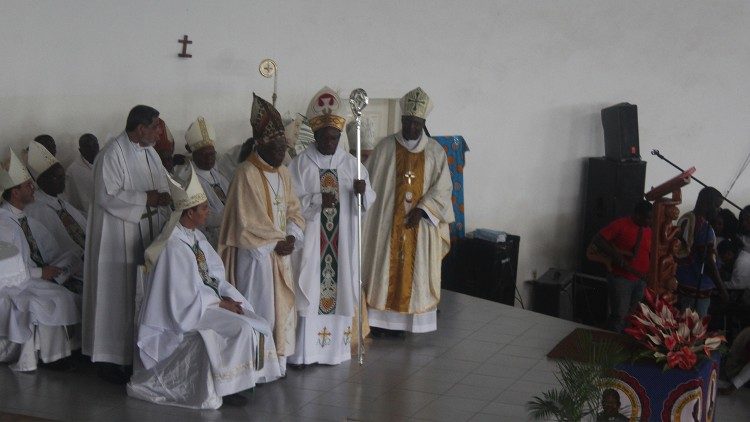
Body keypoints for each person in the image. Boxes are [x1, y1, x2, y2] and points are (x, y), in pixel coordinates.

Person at [127, 165, 281, 409]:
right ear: (189, 214)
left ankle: (249, 378)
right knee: (241, 328)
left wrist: (232, 298)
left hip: (206, 303)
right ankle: (230, 387)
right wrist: (221, 303)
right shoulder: (174, 247)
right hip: (187, 313)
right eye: (204, 208)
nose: (208, 212)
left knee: (257, 321)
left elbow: (215, 276)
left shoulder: (196, 238)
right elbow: (181, 298)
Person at [83, 105, 172, 383]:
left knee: (141, 293)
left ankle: (137, 353)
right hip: (117, 235)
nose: (160, 132)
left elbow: (162, 185)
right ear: (140, 128)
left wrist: (168, 197)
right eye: (155, 126)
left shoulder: (150, 152)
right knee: (116, 296)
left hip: (146, 231)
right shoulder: (111, 153)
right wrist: (147, 199)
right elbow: (107, 196)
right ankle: (110, 359)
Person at [288, 87, 376, 366]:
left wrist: (362, 193)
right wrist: (316, 199)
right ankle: (304, 353)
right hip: (313, 245)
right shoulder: (300, 165)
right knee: (311, 292)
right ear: (314, 135)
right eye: (324, 137)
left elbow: (369, 202)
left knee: (340, 291)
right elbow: (289, 206)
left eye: (335, 137)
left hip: (342, 245)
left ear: (341, 137)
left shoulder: (352, 166)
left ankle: (335, 352)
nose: (330, 142)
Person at [218, 94, 304, 372]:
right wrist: (277, 242)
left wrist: (292, 235)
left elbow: (294, 210)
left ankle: (276, 363)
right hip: (256, 258)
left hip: (279, 254)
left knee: (280, 313)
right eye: (277, 148)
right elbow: (247, 222)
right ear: (261, 144)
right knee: (261, 308)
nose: (282, 154)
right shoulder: (246, 173)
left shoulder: (284, 173)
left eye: (284, 147)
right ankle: (255, 368)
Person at [362, 87, 454, 336]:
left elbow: (444, 189)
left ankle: (408, 324)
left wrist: (423, 210)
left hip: (420, 227)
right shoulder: (384, 149)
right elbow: (368, 183)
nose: (412, 127)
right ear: (402, 120)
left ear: (424, 123)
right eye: (408, 121)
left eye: (417, 123)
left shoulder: (435, 152)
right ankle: (379, 322)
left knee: (416, 272)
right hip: (386, 227)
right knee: (382, 268)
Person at [0, 148, 80, 371]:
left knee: (67, 288)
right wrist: (39, 273)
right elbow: (6, 268)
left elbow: (49, 249)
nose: (33, 187)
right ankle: (51, 354)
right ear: (15, 192)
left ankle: (64, 350)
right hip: (14, 284)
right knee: (51, 300)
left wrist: (61, 265)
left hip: (32, 277)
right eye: (27, 185)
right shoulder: (3, 224)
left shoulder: (26, 219)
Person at [24, 141, 87, 290]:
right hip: (68, 270)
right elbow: (58, 249)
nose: (62, 180)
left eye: (62, 176)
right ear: (43, 181)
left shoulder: (59, 200)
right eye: (56, 177)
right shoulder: (37, 209)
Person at [592, 200, 653, 333]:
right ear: (637, 215)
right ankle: (613, 345)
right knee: (619, 316)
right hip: (621, 278)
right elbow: (598, 240)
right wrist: (616, 256)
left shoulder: (649, 230)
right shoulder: (620, 224)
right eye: (647, 218)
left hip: (641, 280)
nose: (650, 221)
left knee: (634, 316)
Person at [174, 117, 229, 248]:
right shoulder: (186, 178)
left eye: (212, 154)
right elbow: (197, 215)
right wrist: (231, 215)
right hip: (205, 239)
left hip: (228, 235)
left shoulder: (218, 174)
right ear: (193, 154)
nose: (209, 159)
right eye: (204, 155)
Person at [675, 187, 729, 317]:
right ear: (707, 203)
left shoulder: (685, 217)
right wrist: (722, 290)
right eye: (717, 206)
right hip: (698, 289)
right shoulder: (705, 227)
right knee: (694, 329)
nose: (718, 210)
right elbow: (708, 262)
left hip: (682, 283)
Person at [64, 133, 99, 216]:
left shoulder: (106, 161)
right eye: (89, 147)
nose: (93, 150)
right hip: (87, 215)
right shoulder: (72, 171)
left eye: (95, 145)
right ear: (81, 150)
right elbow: (71, 199)